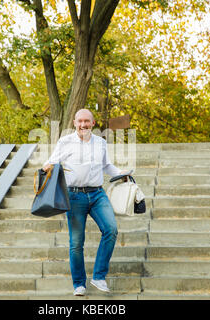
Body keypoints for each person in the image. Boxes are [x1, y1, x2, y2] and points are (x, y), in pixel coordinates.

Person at [42, 108, 128, 296]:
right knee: (76, 243)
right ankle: (79, 284)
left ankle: (98, 276)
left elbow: (106, 166)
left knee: (111, 229)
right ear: (74, 123)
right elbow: (50, 162)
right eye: (80, 121)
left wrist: (122, 174)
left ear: (93, 123)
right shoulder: (65, 142)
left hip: (97, 194)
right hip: (73, 197)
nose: (83, 125)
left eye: (87, 121)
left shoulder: (101, 143)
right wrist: (46, 167)